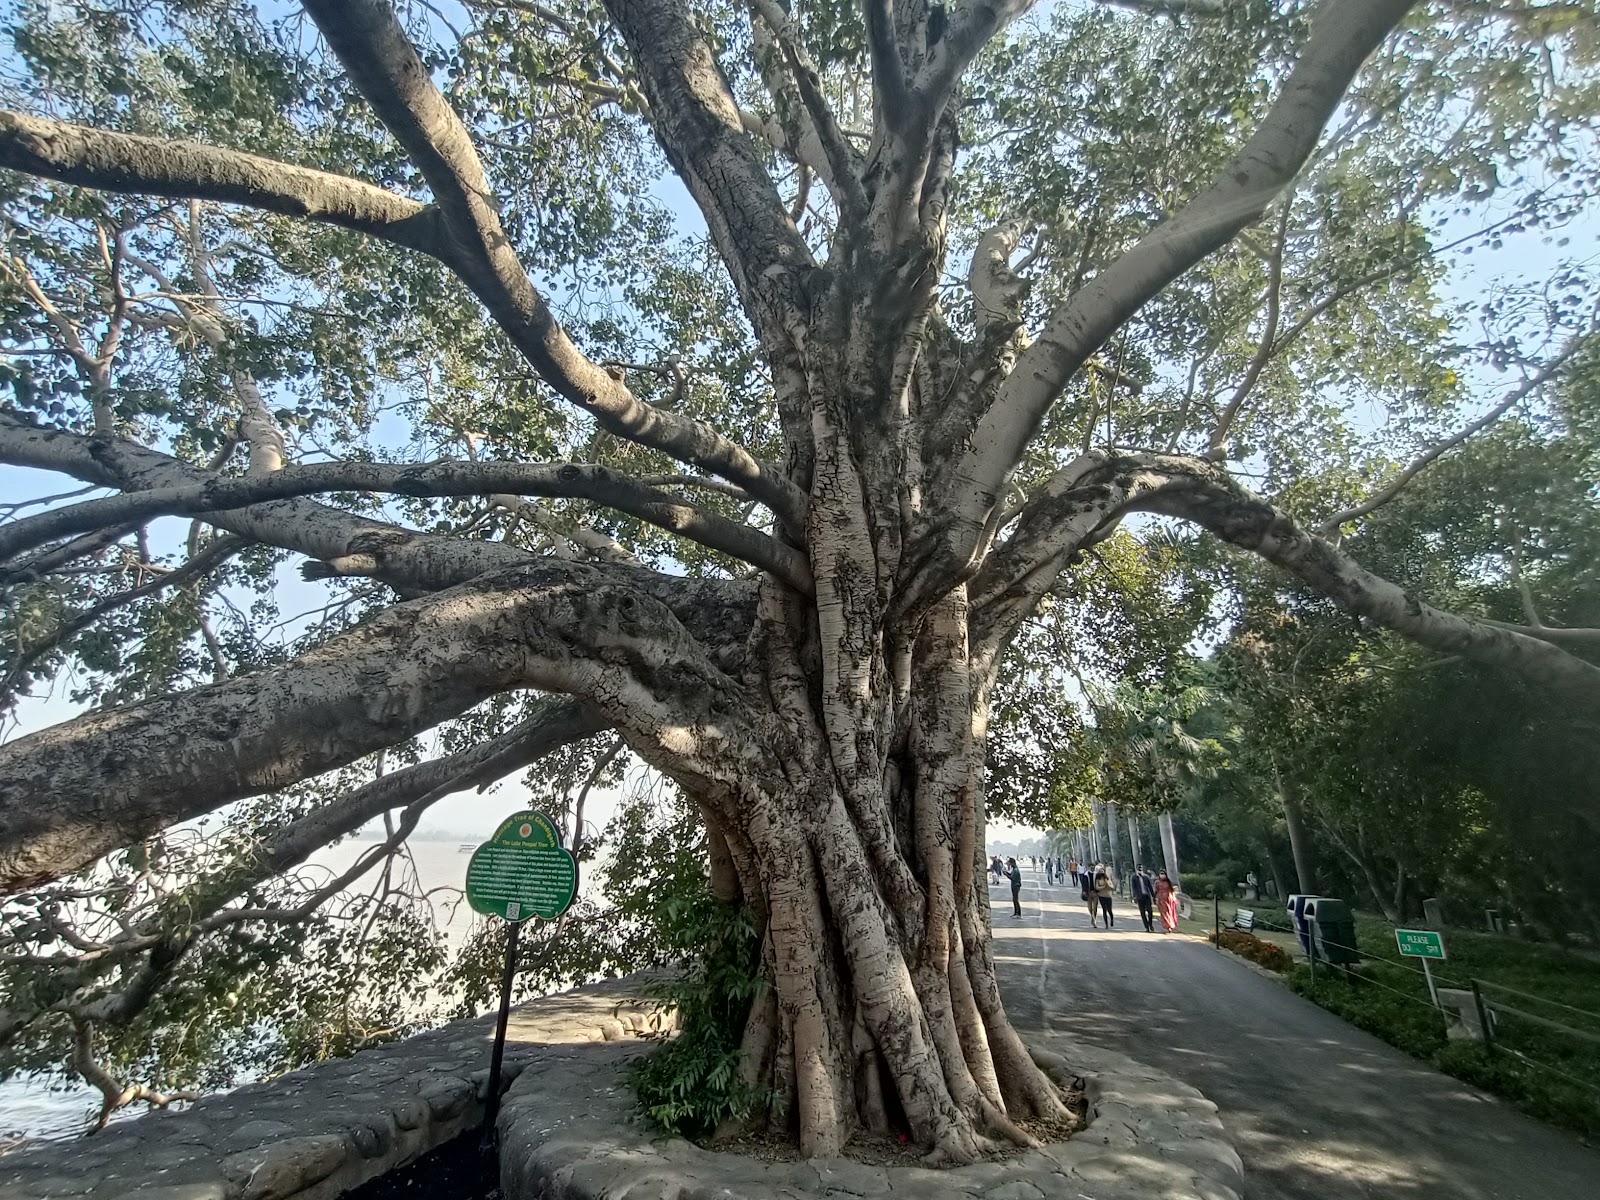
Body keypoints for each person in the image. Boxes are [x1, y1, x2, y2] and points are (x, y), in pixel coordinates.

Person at [1131, 868, 1155, 932]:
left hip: (1147, 896)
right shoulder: (1134, 877)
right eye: (1139, 869)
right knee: (1142, 912)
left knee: (1150, 911)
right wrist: (1134, 897)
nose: (1140, 871)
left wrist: (1153, 896)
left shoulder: (1146, 877)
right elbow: (1133, 887)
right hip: (1139, 897)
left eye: (1141, 869)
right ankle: (1146, 926)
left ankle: (1150, 924)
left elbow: (1150, 887)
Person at [1155, 869, 1179, 933]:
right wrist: (1155, 898)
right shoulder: (1158, 883)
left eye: (1163, 874)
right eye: (1161, 874)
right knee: (1163, 913)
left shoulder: (1168, 882)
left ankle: (1170, 925)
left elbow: (1173, 890)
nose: (1162, 875)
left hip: (1168, 899)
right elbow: (1156, 891)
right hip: (1161, 899)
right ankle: (1167, 926)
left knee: (1169, 912)